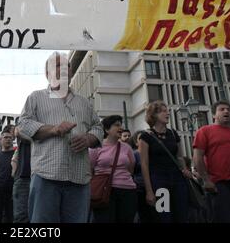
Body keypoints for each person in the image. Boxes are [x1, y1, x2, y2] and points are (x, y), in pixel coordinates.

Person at [18, 52, 104, 223]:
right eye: (58, 65)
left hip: (79, 179)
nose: (64, 68)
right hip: (46, 176)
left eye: (67, 65)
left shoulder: (84, 102)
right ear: (47, 73)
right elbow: (23, 125)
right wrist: (53, 130)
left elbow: (98, 127)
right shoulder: (36, 97)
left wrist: (88, 139)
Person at [139, 100, 191, 223]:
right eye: (163, 111)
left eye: (167, 110)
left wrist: (185, 169)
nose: (167, 113)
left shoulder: (173, 133)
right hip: (159, 179)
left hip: (178, 179)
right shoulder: (146, 136)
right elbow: (144, 164)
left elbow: (179, 156)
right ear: (153, 115)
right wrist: (149, 191)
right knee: (164, 216)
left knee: (182, 215)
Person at [193, 100, 230, 223]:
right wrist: (206, 180)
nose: (226, 111)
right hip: (219, 184)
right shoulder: (205, 131)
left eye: (228, 109)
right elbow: (197, 157)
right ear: (213, 115)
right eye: (222, 109)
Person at [90, 115, 137, 223]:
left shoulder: (127, 148)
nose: (120, 127)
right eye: (116, 125)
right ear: (106, 129)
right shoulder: (96, 147)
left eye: (121, 125)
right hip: (104, 191)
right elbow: (90, 169)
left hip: (127, 191)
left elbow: (131, 168)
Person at [128, 130, 153, 223]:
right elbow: (131, 172)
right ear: (136, 142)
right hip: (140, 189)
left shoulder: (154, 154)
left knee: (161, 213)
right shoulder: (134, 155)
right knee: (144, 215)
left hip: (157, 187)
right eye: (141, 139)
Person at [11, 126, 31, 223]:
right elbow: (19, 130)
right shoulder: (21, 129)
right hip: (24, 178)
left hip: (42, 177)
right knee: (21, 217)